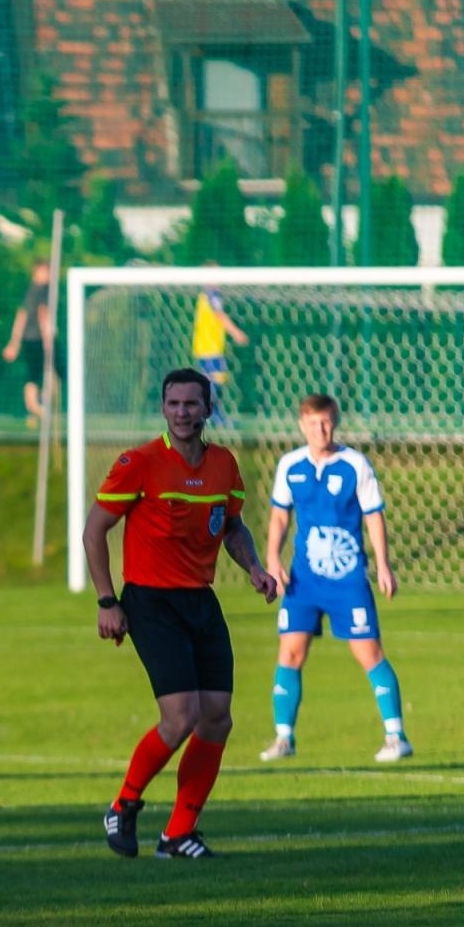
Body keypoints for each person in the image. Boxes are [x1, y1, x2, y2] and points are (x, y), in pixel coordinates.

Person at [83, 367, 278, 859]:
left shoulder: (224, 465)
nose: (183, 412)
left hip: (200, 600)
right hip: (151, 601)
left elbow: (232, 527)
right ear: (164, 409)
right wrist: (108, 600)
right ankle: (123, 804)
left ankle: (178, 834)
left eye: (192, 404)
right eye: (174, 404)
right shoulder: (140, 462)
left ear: (208, 409)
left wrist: (254, 568)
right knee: (181, 715)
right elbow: (94, 531)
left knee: (217, 718)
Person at [258, 393, 411, 764]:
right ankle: (284, 738)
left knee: (369, 653)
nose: (320, 430)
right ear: (302, 425)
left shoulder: (355, 464)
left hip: (348, 580)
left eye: (326, 422)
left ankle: (396, 736)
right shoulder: (289, 465)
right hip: (303, 581)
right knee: (290, 653)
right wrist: (272, 558)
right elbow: (280, 516)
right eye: (313, 423)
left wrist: (384, 565)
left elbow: (373, 516)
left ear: (335, 422)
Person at [191, 262, 250, 425]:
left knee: (212, 380)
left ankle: (212, 415)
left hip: (204, 346)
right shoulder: (213, 295)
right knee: (214, 381)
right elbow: (220, 315)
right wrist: (236, 332)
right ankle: (209, 415)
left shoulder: (204, 295)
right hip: (210, 347)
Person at [2, 260, 54, 427]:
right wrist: (48, 339)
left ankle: (34, 409)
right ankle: (36, 407)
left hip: (28, 339)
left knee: (34, 374)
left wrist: (14, 342)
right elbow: (42, 315)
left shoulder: (30, 291)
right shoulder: (41, 292)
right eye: (45, 271)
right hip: (36, 339)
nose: (49, 275)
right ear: (36, 272)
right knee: (37, 373)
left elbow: (21, 316)